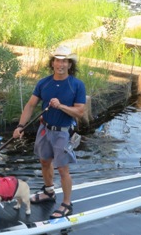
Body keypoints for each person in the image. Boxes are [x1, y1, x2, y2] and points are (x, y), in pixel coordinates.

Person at [13, 44, 86, 219]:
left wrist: (60, 106)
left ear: (70, 65)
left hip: (63, 132)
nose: (61, 65)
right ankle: (48, 192)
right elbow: (31, 105)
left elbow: (80, 112)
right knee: (45, 162)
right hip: (44, 129)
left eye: (65, 61)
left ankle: (66, 204)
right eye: (57, 61)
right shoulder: (44, 83)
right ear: (52, 63)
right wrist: (20, 126)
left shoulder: (76, 85)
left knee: (62, 170)